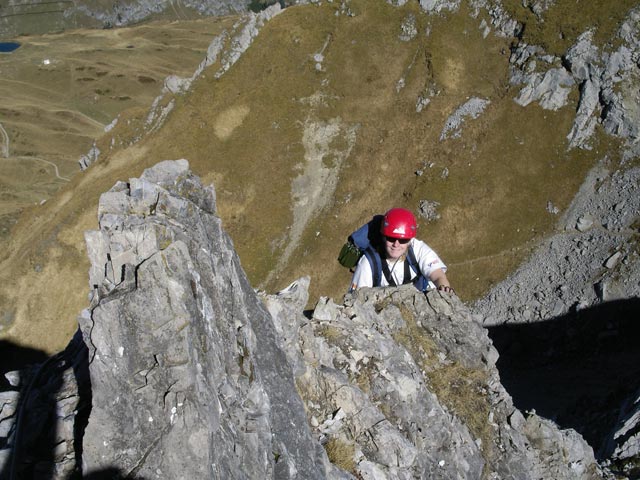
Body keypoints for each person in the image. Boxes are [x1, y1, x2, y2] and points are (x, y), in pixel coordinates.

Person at [350, 207, 453, 293]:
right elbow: (358, 299)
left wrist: (444, 289)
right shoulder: (368, 263)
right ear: (383, 237)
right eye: (391, 238)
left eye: (403, 240)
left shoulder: (417, 249)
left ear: (410, 240)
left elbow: (438, 275)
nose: (396, 244)